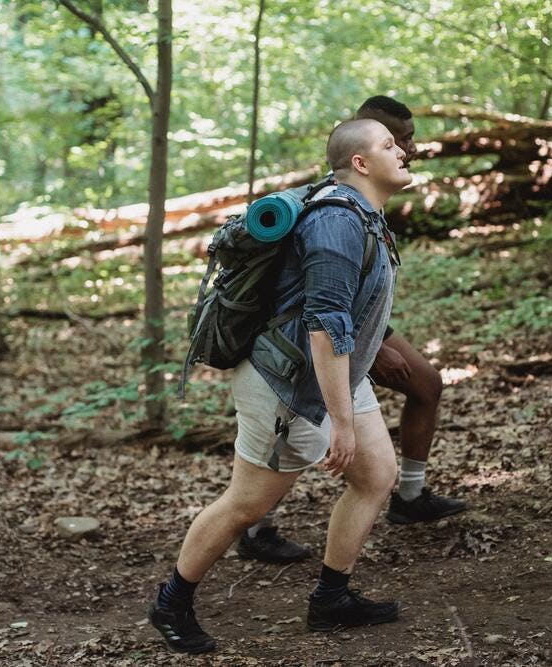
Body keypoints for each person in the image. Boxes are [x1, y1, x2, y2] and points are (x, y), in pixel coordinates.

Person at [149, 118, 411, 654]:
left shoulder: (364, 213)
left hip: (333, 375)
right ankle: (171, 602)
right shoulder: (338, 220)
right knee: (246, 505)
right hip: (286, 383)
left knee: (378, 474)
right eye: (389, 145)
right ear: (360, 164)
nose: (403, 150)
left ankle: (331, 599)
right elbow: (323, 324)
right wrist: (340, 420)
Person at [237, 96, 465, 565]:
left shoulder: (368, 195)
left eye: (408, 139)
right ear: (362, 152)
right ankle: (251, 528)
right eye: (397, 140)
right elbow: (323, 300)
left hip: (344, 325)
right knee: (288, 451)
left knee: (424, 386)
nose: (409, 148)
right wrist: (372, 347)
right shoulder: (335, 208)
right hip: (305, 337)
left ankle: (409, 495)